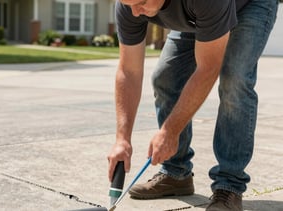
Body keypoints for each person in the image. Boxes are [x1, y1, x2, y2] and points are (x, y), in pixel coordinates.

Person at [107, 0, 278, 210]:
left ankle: (229, 185)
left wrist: (170, 132)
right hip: (200, 13)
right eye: (129, 4)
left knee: (235, 80)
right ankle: (176, 173)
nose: (135, 11)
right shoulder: (128, 6)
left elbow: (207, 69)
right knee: (165, 77)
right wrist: (122, 140)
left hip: (249, 5)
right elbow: (129, 71)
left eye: (141, 2)